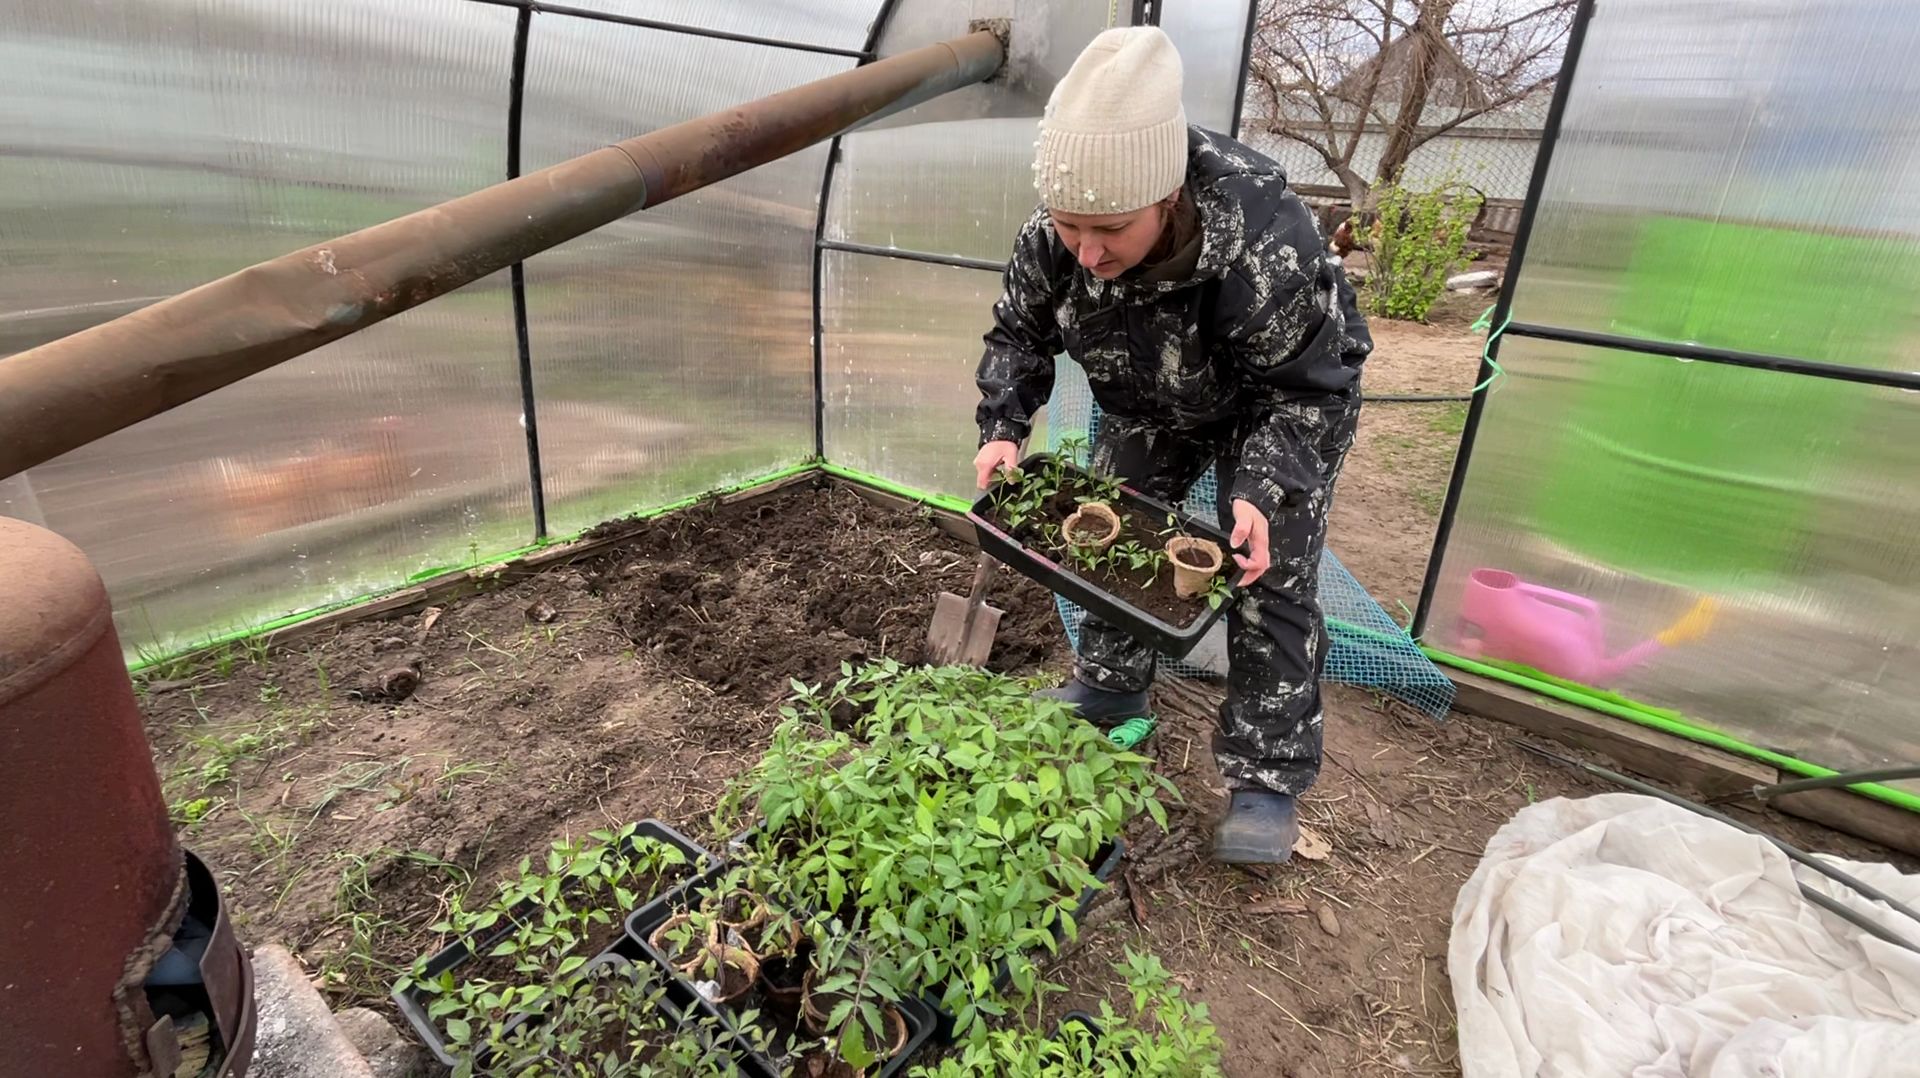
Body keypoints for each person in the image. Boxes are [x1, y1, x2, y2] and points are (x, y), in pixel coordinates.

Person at [970, 27, 1371, 865]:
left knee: (1268, 573)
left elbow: (1312, 389)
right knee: (1111, 535)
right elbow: (1018, 331)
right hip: (1147, 401)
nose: (1087, 251)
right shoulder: (1060, 233)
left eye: (1109, 228)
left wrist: (1260, 490)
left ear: (1166, 196)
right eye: (1069, 225)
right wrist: (1005, 428)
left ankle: (1264, 774)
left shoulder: (1263, 236)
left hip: (1273, 408)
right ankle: (1113, 687)